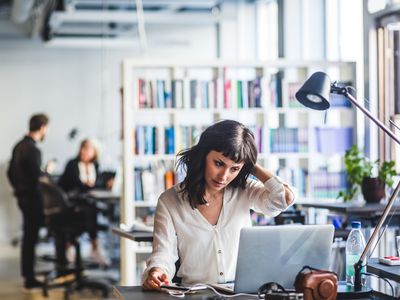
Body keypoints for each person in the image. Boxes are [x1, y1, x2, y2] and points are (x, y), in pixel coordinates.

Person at [142, 120, 296, 290]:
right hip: (196, 294)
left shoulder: (244, 190)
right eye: (219, 163)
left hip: (241, 293)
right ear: (203, 156)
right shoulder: (170, 201)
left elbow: (283, 199)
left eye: (234, 169)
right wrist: (156, 271)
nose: (224, 176)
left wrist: (250, 164)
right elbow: (163, 254)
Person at [7, 113, 49, 290]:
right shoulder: (33, 149)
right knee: (30, 238)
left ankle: (28, 275)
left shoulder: (18, 146)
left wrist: (18, 188)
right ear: (42, 127)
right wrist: (46, 171)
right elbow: (37, 178)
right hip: (32, 200)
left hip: (23, 198)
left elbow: (9, 172)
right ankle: (30, 279)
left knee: (28, 238)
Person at [58, 138, 110, 266]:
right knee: (90, 210)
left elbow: (97, 183)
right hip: (71, 203)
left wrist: (106, 183)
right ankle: (90, 246)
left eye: (87, 148)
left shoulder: (96, 165)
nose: (83, 151)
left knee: (91, 208)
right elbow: (76, 185)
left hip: (87, 203)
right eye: (82, 147)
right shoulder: (72, 164)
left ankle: (88, 246)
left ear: (94, 152)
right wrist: (90, 185)